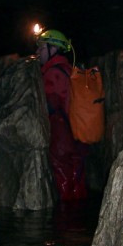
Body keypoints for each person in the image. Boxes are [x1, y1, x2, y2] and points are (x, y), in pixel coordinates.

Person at [34, 28, 88, 201]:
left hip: (62, 133)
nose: (37, 52)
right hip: (78, 132)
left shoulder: (53, 73)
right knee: (76, 176)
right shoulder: (68, 70)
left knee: (63, 177)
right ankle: (76, 221)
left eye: (41, 48)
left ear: (53, 49)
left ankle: (65, 221)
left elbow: (50, 104)